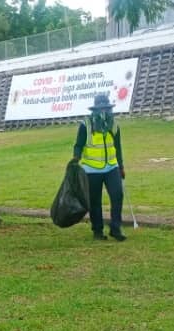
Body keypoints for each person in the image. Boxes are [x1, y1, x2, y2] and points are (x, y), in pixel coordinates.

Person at [72, 94, 127, 242]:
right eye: (100, 108)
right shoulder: (86, 125)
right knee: (95, 201)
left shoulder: (114, 125)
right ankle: (97, 231)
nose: (103, 111)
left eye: (106, 108)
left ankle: (115, 229)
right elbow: (78, 145)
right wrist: (75, 159)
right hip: (91, 169)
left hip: (111, 167)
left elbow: (118, 147)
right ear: (95, 109)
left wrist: (121, 166)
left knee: (117, 195)